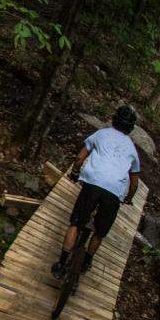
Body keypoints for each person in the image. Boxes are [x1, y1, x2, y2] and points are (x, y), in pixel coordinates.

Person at [52, 103, 142, 282]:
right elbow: (134, 183)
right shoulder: (132, 149)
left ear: (114, 119)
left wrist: (75, 173)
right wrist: (128, 199)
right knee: (100, 232)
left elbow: (79, 158)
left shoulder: (101, 134)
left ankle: (61, 263)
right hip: (114, 192)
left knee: (76, 223)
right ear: (131, 128)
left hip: (93, 183)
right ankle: (87, 260)